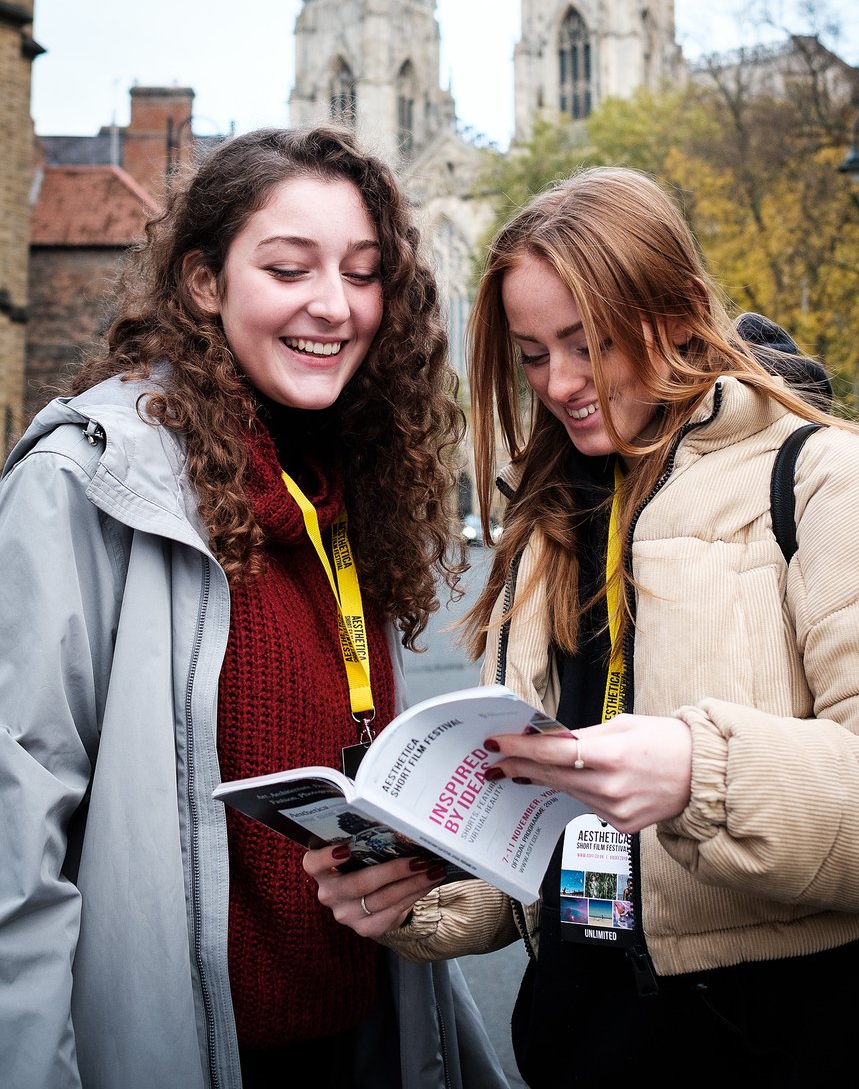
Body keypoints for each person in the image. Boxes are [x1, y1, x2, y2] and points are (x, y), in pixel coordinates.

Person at [306, 165, 859, 1089]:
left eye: (591, 342)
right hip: (592, 1035)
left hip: (808, 1036)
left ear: (679, 309)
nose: (561, 383)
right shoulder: (540, 524)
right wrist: (421, 877)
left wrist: (706, 775)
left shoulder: (824, 481)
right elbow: (547, 832)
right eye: (533, 354)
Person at [0, 125, 510, 1089]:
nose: (335, 305)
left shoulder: (336, 481)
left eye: (364, 274)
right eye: (288, 268)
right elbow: (12, 849)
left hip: (355, 1039)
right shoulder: (85, 480)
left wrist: (422, 854)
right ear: (203, 283)